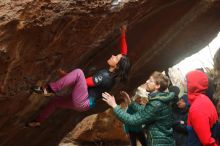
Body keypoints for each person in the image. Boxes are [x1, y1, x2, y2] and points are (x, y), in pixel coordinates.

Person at [27, 25, 131, 127]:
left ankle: (49, 90)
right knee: (55, 102)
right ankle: (38, 121)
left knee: (78, 73)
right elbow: (124, 53)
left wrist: (67, 76)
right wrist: (123, 34)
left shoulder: (105, 76)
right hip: (85, 104)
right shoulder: (114, 73)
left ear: (116, 66)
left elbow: (84, 82)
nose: (113, 55)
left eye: (115, 58)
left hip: (83, 101)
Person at [102, 71, 175, 146]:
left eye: (150, 81)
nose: (147, 81)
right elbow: (144, 111)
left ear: (157, 86)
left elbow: (132, 120)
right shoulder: (160, 100)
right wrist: (130, 102)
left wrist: (114, 105)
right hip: (164, 141)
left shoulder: (156, 103)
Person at [186, 70, 218, 146]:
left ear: (193, 84)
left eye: (187, 81)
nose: (185, 84)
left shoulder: (197, 107)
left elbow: (207, 141)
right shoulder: (203, 99)